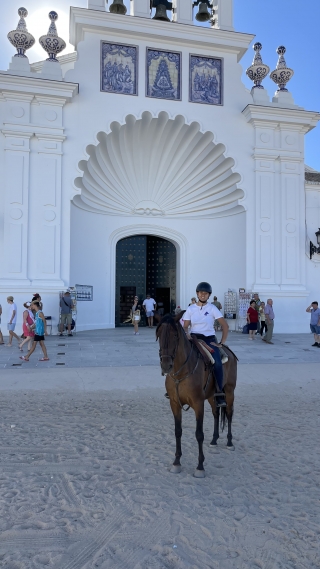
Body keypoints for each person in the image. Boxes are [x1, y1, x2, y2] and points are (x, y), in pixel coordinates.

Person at [183, 282, 229, 407]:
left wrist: (222, 342)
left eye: (206, 293)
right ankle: (174, 387)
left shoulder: (213, 308)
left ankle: (219, 393)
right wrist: (186, 334)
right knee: (178, 357)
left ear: (209, 295)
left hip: (209, 339)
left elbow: (225, 325)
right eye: (201, 293)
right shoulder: (191, 309)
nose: (203, 295)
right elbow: (185, 326)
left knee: (218, 363)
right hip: (194, 339)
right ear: (197, 294)